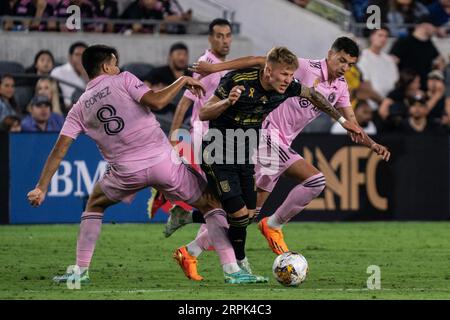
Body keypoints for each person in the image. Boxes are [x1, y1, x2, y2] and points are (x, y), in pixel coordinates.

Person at [26, 44, 268, 285]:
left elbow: (59, 150)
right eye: (115, 62)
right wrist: (182, 80)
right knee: (211, 203)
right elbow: (158, 102)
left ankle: (79, 271)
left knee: (94, 204)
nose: (118, 66)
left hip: (125, 173)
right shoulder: (123, 79)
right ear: (106, 66)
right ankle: (232, 271)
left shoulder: (78, 108)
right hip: (164, 163)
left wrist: (41, 187)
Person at [165, 38, 389, 268]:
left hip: (282, 142)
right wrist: (213, 68)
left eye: (350, 64)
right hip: (266, 135)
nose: (344, 67)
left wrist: (371, 144)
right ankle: (273, 225)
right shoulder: (303, 67)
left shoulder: (340, 86)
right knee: (316, 179)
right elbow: (256, 60)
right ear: (330, 53)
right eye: (341, 60)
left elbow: (351, 121)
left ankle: (189, 244)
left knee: (246, 214)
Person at [157, 18, 233, 281]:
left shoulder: (223, 67)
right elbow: (184, 102)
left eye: (228, 36)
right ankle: (232, 267)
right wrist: (174, 136)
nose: (225, 40)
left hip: (225, 142)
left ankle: (188, 233)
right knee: (227, 207)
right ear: (211, 39)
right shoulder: (203, 65)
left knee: (229, 206)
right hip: (205, 142)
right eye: (219, 36)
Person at [390, 15, 444, 90]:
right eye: (434, 26)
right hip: (406, 87)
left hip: (424, 87)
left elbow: (439, 62)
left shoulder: (430, 44)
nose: (435, 29)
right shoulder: (404, 42)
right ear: (426, 25)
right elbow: (392, 63)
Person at [357, 26, 399, 111]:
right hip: (370, 106)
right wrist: (382, 101)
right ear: (372, 37)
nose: (383, 39)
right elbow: (365, 85)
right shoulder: (363, 57)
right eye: (380, 35)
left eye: (386, 36)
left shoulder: (389, 59)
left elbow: (396, 82)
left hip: (389, 104)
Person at [144, 42, 192, 114]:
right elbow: (143, 89)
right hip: (163, 112)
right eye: (178, 54)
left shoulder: (191, 74)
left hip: (185, 111)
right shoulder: (159, 72)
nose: (182, 58)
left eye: (185, 55)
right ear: (170, 56)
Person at [50, 42, 88, 109]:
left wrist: (85, 74)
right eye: (77, 55)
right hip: (65, 109)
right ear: (70, 57)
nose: (81, 58)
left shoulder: (92, 73)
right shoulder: (58, 72)